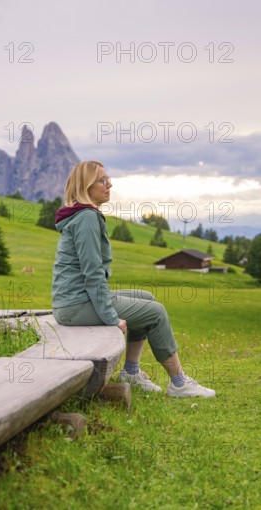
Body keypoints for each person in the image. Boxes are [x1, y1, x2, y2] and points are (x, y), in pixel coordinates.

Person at [52, 161, 216, 398]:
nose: (109, 184)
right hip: (76, 305)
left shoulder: (84, 215)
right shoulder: (86, 218)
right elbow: (92, 274)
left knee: (146, 299)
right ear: (86, 186)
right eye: (102, 180)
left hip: (76, 301)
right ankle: (179, 383)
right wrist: (110, 317)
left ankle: (130, 371)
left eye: (108, 179)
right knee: (155, 312)